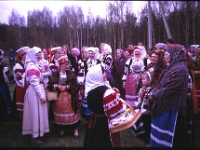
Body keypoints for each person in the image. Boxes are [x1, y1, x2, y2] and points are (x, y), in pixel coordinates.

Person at [149, 44, 189, 147]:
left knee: (171, 137)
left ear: (174, 55)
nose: (165, 56)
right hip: (166, 106)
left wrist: (154, 95)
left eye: (167, 53)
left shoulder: (181, 70)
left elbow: (169, 88)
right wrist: (154, 91)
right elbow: (162, 84)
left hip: (172, 109)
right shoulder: (173, 66)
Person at [83, 63, 123, 147]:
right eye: (103, 73)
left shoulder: (90, 89)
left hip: (94, 120)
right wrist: (116, 97)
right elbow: (117, 110)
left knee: (94, 141)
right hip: (105, 123)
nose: (105, 74)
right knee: (105, 142)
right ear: (97, 76)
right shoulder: (107, 92)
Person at [47, 55, 81, 139]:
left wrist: (67, 87)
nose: (67, 66)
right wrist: (57, 86)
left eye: (68, 64)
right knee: (61, 113)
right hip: (59, 98)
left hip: (70, 97)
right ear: (60, 65)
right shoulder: (55, 74)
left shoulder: (71, 74)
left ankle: (75, 129)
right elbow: (49, 85)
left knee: (72, 112)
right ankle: (62, 128)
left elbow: (76, 86)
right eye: (65, 64)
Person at [22, 46, 49, 145]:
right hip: (35, 92)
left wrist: (47, 74)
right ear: (32, 55)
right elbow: (34, 82)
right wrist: (42, 95)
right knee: (35, 113)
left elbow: (38, 76)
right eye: (36, 55)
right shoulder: (32, 66)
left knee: (38, 112)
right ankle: (34, 136)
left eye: (39, 54)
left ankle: (39, 132)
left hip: (36, 90)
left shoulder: (34, 65)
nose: (38, 56)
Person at [132, 71, 153, 147]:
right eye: (142, 79)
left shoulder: (151, 90)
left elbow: (148, 103)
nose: (142, 80)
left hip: (148, 113)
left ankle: (148, 141)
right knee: (144, 125)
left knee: (148, 126)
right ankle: (145, 139)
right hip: (143, 112)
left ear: (150, 80)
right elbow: (139, 100)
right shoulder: (142, 88)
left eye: (144, 79)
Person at [13, 46, 29, 121]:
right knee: (22, 103)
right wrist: (26, 85)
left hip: (26, 86)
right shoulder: (18, 66)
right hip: (21, 87)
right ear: (22, 56)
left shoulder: (27, 64)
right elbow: (19, 79)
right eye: (26, 55)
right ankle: (22, 119)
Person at [0, 49, 14, 121]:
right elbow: (9, 78)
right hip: (2, 86)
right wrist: (12, 81)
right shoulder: (3, 66)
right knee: (5, 100)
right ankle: (6, 115)